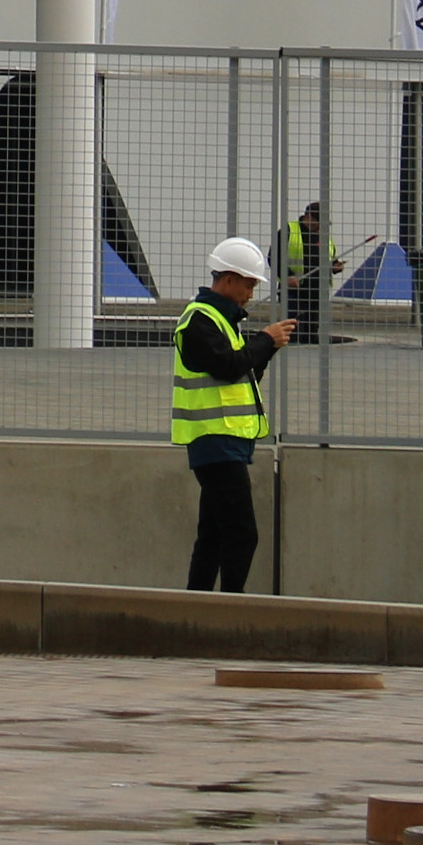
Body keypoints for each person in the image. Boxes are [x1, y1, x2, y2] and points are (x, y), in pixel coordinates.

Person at [174, 236, 302, 592]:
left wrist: (268, 347)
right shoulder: (200, 320)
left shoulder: (220, 320)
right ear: (227, 279)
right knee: (242, 534)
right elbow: (230, 367)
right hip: (215, 442)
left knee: (214, 534)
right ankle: (232, 606)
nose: (251, 292)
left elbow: (242, 373)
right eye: (248, 284)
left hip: (224, 442)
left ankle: (197, 602)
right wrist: (264, 340)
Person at [279, 200, 327, 343]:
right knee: (293, 331)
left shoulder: (322, 235)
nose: (320, 226)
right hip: (293, 290)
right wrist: (287, 276)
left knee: (311, 333)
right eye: (318, 222)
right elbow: (274, 257)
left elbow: (327, 257)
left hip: (315, 291)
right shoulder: (289, 231)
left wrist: (334, 266)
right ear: (309, 217)